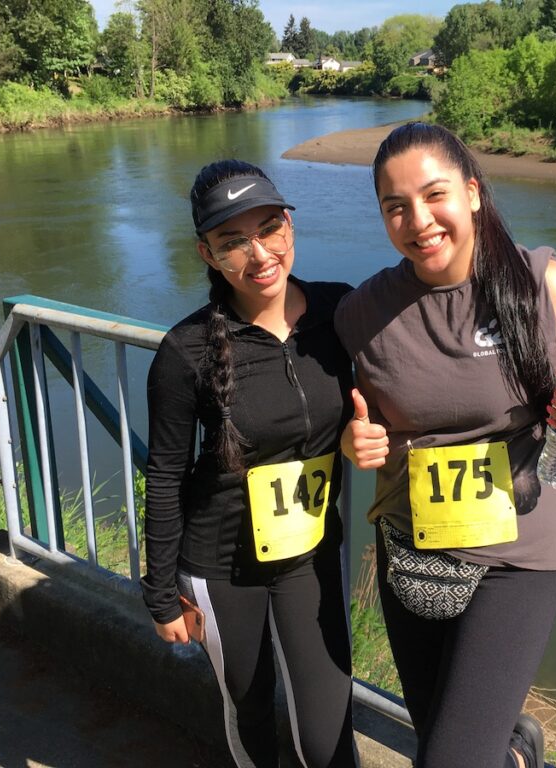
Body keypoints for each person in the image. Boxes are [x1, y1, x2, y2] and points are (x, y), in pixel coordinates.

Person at [335, 122, 556, 768]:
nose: (418, 220)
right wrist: (358, 443)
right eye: (395, 207)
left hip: (520, 551)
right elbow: (371, 424)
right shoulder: (363, 314)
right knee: (445, 738)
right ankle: (519, 752)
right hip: (413, 548)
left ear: (472, 192)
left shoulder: (543, 285)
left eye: (434, 194)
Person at [141, 159, 358, 768]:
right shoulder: (185, 351)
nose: (258, 254)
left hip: (310, 554)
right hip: (221, 565)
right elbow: (164, 475)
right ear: (207, 254)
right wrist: (160, 593)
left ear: (290, 226)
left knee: (326, 732)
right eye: (233, 242)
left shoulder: (338, 313)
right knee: (251, 712)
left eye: (269, 229)